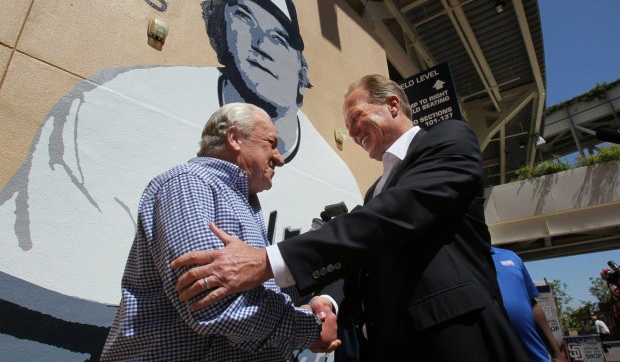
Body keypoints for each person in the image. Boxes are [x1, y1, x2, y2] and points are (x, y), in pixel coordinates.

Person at [0, 0, 361, 307]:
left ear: (302, 66)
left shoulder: (339, 177)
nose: (258, 42)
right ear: (221, 26)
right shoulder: (120, 100)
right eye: (242, 18)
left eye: (279, 38)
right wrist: (304, 329)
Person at [172, 74, 528, 361]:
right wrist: (326, 303)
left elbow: (388, 220)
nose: (353, 133)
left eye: (357, 118)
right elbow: (360, 255)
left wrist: (270, 261)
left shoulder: (449, 139)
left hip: (453, 339)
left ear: (392, 105)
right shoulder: (375, 192)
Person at [100, 103, 340, 361]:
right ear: (235, 138)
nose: (280, 158)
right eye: (271, 144)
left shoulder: (242, 202)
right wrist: (309, 328)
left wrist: (311, 303)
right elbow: (210, 302)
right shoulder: (190, 183)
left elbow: (253, 293)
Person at [492, 247, 566, 362]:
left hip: (534, 354)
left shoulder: (511, 256)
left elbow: (533, 305)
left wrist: (556, 353)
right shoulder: (463, 260)